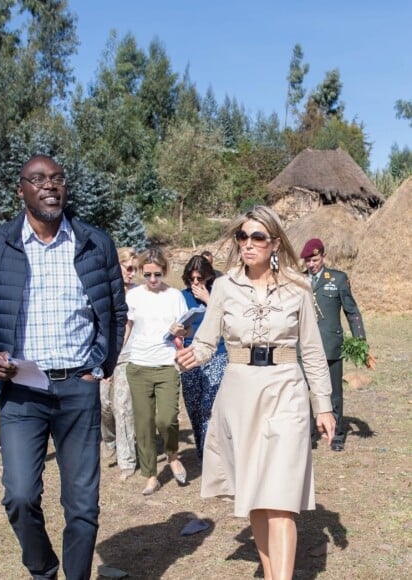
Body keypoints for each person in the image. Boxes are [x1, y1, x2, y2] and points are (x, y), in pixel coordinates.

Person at [0, 154, 127, 580]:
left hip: (78, 386)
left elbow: (115, 311)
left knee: (83, 506)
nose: (49, 186)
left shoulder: (94, 243)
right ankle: (44, 568)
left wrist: (100, 366)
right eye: (38, 179)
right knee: (18, 495)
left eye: (57, 178)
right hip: (21, 389)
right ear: (21, 190)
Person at [176, 206, 335, 580]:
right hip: (239, 394)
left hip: (286, 391)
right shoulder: (225, 287)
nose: (248, 244)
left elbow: (311, 350)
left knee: (281, 500)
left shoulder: (298, 286)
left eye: (257, 237)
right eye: (242, 237)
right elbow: (206, 340)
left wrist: (323, 406)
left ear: (275, 243)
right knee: (259, 501)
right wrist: (191, 356)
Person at [300, 238, 374, 452]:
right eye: (307, 261)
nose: (311, 264)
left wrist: (360, 341)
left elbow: (352, 312)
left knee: (333, 392)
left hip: (330, 344)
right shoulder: (298, 280)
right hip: (302, 347)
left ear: (323, 256)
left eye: (314, 259)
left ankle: (338, 433)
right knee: (300, 391)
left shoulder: (338, 279)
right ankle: (307, 432)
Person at [125, 247, 188, 496]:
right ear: (141, 271)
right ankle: (151, 475)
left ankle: (172, 454)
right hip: (138, 366)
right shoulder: (133, 297)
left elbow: (187, 330)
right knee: (144, 423)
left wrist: (180, 330)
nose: (152, 280)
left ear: (165, 272)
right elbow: (126, 329)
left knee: (167, 419)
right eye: (148, 274)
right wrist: (112, 360)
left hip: (166, 365)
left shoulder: (174, 296)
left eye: (158, 275)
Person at [179, 255, 228, 463]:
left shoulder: (219, 294)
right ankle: (201, 450)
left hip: (217, 354)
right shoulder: (181, 296)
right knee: (194, 406)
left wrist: (209, 299)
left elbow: (231, 321)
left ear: (208, 277)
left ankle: (211, 456)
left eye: (200, 278)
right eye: (192, 279)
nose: (196, 283)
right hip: (191, 355)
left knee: (210, 406)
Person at [100, 247, 138, 481]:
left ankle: (127, 460)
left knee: (122, 406)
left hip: (128, 356)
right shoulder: (105, 292)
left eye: (135, 269)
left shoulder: (137, 294)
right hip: (104, 356)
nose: (132, 274)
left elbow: (129, 326)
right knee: (103, 403)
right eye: (129, 268)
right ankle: (109, 439)